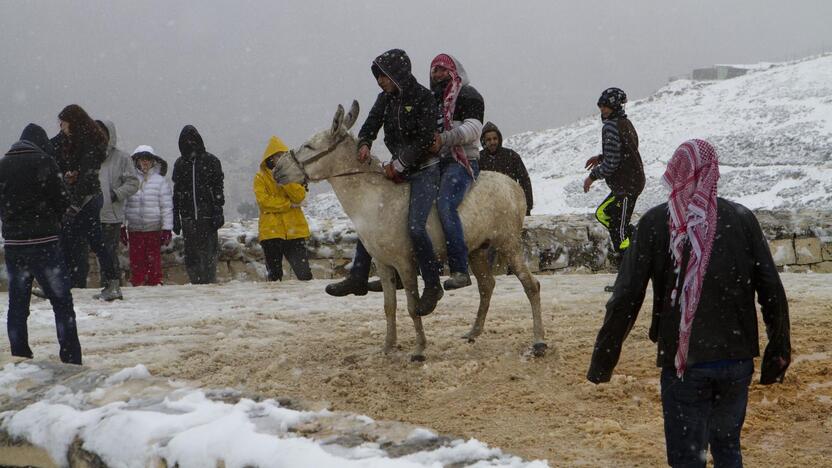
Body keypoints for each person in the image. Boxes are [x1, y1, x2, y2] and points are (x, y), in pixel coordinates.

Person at [586, 139, 791, 467]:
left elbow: (625, 297)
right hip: (736, 360)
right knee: (727, 448)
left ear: (676, 171)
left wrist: (603, 361)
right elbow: (771, 290)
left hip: (684, 364)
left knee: (686, 458)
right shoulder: (740, 219)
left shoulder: (657, 223)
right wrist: (778, 353)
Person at [325, 48, 443, 316]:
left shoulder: (423, 97)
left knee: (415, 226)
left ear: (398, 74)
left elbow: (425, 139)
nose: (380, 81)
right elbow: (370, 125)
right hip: (399, 170)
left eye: (384, 76)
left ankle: (433, 285)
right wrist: (365, 143)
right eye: (378, 77)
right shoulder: (385, 99)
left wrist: (399, 164)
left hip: (425, 170)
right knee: (371, 220)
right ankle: (358, 276)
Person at [0, 124, 82, 364]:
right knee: (61, 302)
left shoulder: (2, 166)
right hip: (45, 242)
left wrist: (12, 220)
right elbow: (63, 200)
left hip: (15, 245)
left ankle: (20, 356)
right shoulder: (45, 162)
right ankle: (70, 356)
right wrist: (52, 218)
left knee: (17, 304)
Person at [429, 53, 484, 290]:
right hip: (437, 161)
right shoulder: (433, 100)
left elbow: (473, 129)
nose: (438, 74)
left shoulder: (468, 95)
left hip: (462, 161)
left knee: (445, 204)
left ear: (454, 71)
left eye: (442, 69)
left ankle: (460, 268)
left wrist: (444, 138)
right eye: (434, 70)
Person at [583, 88, 644, 288]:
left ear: (615, 107)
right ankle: (635, 240)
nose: (603, 110)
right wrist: (600, 157)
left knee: (618, 232)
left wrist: (592, 177)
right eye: (602, 106)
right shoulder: (624, 123)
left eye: (606, 106)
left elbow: (614, 162)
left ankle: (627, 279)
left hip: (627, 187)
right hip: (628, 184)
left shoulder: (610, 126)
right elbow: (623, 152)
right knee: (604, 214)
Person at [55, 104, 119, 292]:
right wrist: (72, 175)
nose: (62, 127)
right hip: (86, 198)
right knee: (72, 241)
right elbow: (83, 172)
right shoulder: (82, 142)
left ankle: (112, 284)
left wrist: (75, 205)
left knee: (96, 243)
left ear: (73, 122)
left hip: (87, 200)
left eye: (64, 123)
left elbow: (88, 177)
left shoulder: (88, 143)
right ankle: (64, 283)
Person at [254, 136, 313, 281]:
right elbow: (264, 202)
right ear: (270, 157)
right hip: (271, 232)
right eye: (278, 155)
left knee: (304, 275)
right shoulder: (260, 177)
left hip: (295, 231)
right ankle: (275, 303)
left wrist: (285, 181)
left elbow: (299, 196)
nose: (281, 159)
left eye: (283, 155)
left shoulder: (293, 175)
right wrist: (288, 205)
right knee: (274, 276)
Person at [171, 125, 225, 284]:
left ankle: (209, 282)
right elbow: (177, 192)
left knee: (209, 254)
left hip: (207, 216)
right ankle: (196, 283)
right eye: (186, 140)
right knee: (192, 255)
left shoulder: (211, 161)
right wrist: (176, 216)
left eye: (192, 139)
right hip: (188, 217)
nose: (190, 143)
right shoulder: (180, 164)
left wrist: (218, 210)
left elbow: (218, 188)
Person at [93, 120, 140, 299]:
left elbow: (133, 183)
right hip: (91, 213)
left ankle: (112, 287)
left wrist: (115, 194)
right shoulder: (89, 155)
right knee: (98, 254)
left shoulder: (122, 158)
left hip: (111, 214)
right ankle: (105, 288)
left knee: (109, 253)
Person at [123, 146, 173, 286]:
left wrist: (167, 228)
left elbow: (166, 207)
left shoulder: (160, 181)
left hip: (153, 228)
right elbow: (123, 204)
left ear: (153, 162)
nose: (145, 163)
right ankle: (137, 285)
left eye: (148, 160)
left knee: (154, 261)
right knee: (136, 261)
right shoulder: (130, 180)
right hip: (135, 229)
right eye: (142, 160)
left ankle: (155, 284)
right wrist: (122, 225)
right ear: (136, 161)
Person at [479, 121, 533, 215]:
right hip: (488, 210)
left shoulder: (511, 156)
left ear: (499, 139)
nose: (492, 142)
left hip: (511, 207)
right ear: (484, 141)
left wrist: (527, 207)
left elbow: (524, 181)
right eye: (488, 140)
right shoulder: (479, 159)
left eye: (495, 138)